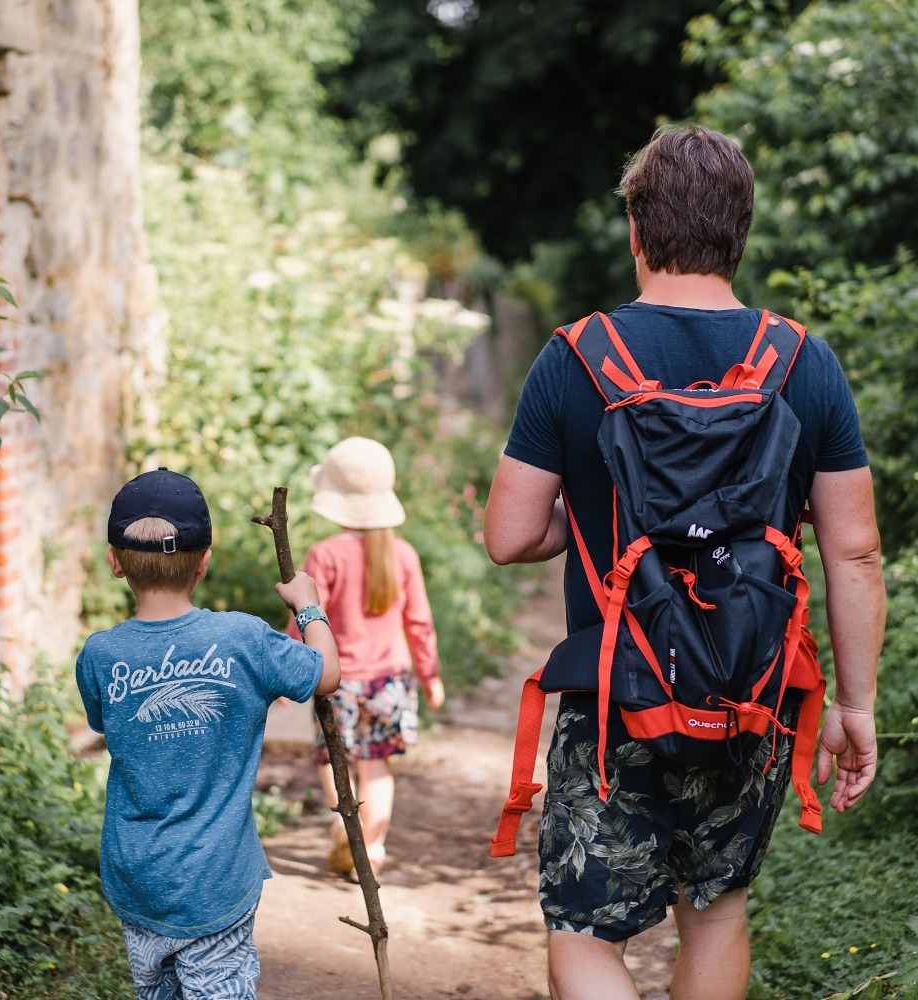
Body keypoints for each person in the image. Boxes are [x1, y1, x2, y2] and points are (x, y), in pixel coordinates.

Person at [482, 124, 886, 1000]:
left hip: (614, 699)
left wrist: (582, 516)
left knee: (586, 933)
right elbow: (854, 550)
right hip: (752, 696)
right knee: (718, 908)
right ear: (741, 230)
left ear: (636, 230)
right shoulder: (803, 364)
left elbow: (510, 535)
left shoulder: (574, 359)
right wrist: (856, 704)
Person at [76, 467, 341, 1000]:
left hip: (138, 877)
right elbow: (325, 674)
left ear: (113, 561)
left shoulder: (100, 655)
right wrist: (308, 604)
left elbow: (106, 724)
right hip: (216, 878)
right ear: (205, 561)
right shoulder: (243, 638)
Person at [291, 436, 446, 881]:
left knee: (333, 760)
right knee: (377, 767)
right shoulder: (403, 554)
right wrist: (430, 675)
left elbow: (305, 616)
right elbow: (420, 622)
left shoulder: (325, 554)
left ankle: (345, 825)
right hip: (391, 682)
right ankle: (372, 849)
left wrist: (285, 674)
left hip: (336, 680)